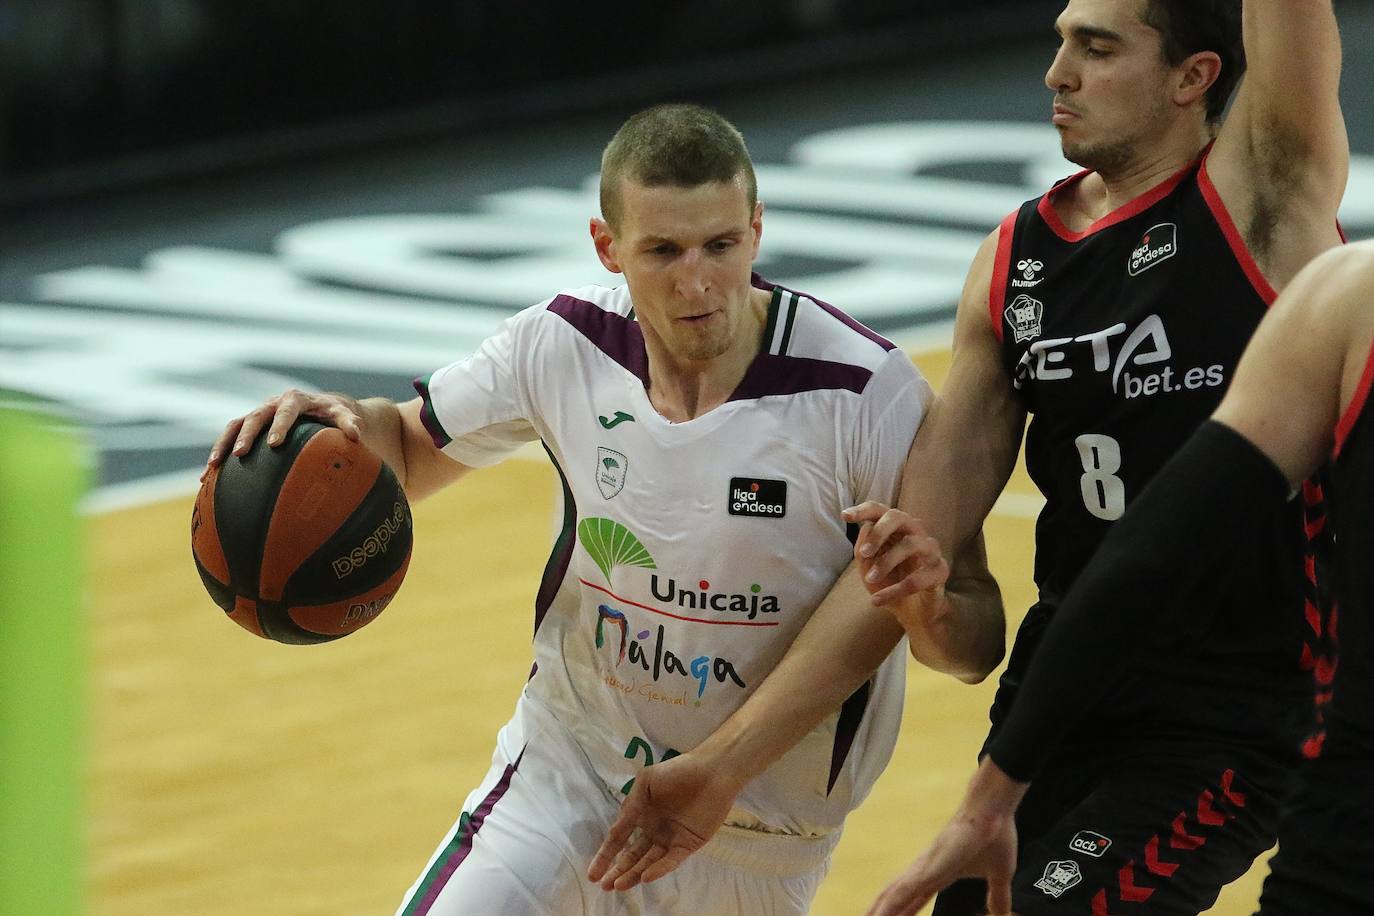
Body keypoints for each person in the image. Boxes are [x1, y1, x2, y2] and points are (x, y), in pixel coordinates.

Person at [204, 103, 998, 915]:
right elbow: (404, 447)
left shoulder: (867, 393)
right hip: (566, 785)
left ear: (757, 230)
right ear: (607, 246)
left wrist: (927, 611)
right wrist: (335, 429)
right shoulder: (563, 342)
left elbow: (974, 646)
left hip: (756, 841)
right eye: (663, 251)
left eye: (721, 246)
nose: (697, 281)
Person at [786, 1, 1350, 914]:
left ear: (1193, 77)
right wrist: (925, 600)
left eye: (1096, 48)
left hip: (1229, 713)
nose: (1057, 73)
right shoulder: (1012, 259)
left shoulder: (1261, 198)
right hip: (1058, 695)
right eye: (1060, 42)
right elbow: (963, 640)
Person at [865, 239, 1374, 915]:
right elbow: (1139, 564)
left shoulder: (1277, 230)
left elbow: (1147, 559)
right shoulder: (1350, 297)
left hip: (1235, 720)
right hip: (1094, 704)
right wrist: (992, 792)